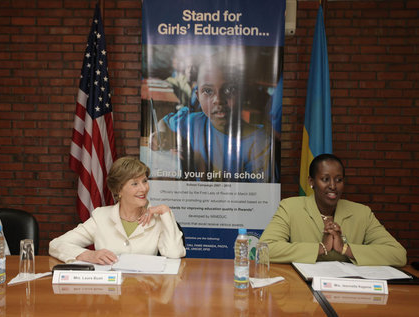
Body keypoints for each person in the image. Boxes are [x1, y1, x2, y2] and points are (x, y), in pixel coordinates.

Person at [259, 154, 407, 266]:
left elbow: (398, 254)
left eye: (338, 180)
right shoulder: (290, 207)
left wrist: (345, 249)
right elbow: (264, 249)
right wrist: (320, 248)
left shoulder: (362, 213)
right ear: (311, 182)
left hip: (349, 293)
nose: (333, 186)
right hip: (304, 293)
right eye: (325, 179)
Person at [150, 50, 274, 182]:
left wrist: (200, 167)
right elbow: (165, 122)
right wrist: (161, 134)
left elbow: (254, 197)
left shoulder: (259, 144)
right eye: (208, 91)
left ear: (242, 94)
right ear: (198, 96)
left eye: (229, 89)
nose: (218, 100)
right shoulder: (192, 122)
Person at [49, 156, 186, 264]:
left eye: (144, 181)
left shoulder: (158, 218)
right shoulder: (101, 217)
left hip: (143, 294)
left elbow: (174, 254)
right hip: (109, 293)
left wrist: (166, 212)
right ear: (119, 190)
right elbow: (56, 245)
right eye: (134, 184)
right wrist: (89, 255)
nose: (143, 188)